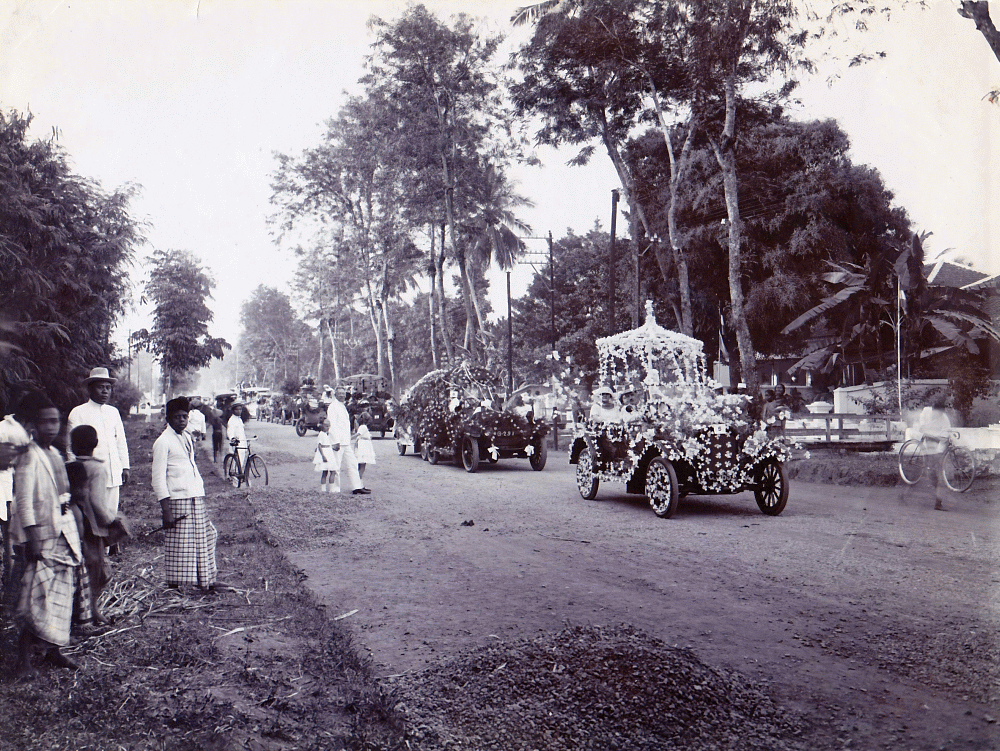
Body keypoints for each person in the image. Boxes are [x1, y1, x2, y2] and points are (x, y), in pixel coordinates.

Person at [12, 392, 84, 677]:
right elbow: (24, 501)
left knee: (62, 591)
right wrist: (32, 539)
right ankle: (23, 659)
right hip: (39, 537)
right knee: (35, 597)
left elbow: (62, 497)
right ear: (33, 425)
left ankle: (53, 649)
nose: (52, 427)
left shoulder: (55, 454)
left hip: (62, 531)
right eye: (45, 422)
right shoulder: (29, 455)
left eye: (56, 422)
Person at [151, 397, 218, 590]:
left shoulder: (186, 437)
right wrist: (166, 511)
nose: (181, 420)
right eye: (177, 417)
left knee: (202, 538)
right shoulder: (163, 442)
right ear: (168, 418)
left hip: (195, 496)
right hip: (177, 500)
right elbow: (158, 479)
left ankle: (203, 580)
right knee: (181, 545)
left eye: (184, 416)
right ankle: (178, 584)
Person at [66, 367, 130, 527]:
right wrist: (77, 475)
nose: (105, 392)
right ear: (90, 388)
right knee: (92, 516)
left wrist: (125, 466)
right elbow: (70, 446)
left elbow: (121, 441)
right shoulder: (78, 413)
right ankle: (96, 548)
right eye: (101, 387)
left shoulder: (113, 412)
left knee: (111, 512)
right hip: (90, 474)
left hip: (113, 471)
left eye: (108, 388)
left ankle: (108, 548)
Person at [65, 425, 114, 627]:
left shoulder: (68, 465)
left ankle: (81, 612)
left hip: (73, 524)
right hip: (92, 526)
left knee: (80, 569)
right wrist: (111, 521)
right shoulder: (98, 468)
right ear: (95, 444)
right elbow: (96, 502)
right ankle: (92, 610)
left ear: (73, 446)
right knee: (97, 571)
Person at [912, 396, 953, 511]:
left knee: (940, 474)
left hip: (938, 445)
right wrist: (934, 436)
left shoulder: (944, 418)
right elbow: (921, 429)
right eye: (936, 413)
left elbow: (946, 432)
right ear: (932, 410)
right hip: (926, 442)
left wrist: (945, 438)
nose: (938, 416)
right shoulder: (925, 412)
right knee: (931, 473)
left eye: (940, 414)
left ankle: (938, 502)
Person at [326, 385, 368, 495]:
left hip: (346, 441)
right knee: (336, 466)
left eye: (343, 393)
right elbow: (332, 425)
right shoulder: (333, 407)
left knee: (353, 463)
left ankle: (357, 487)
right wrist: (335, 441)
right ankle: (334, 489)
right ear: (335, 394)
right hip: (338, 442)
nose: (342, 395)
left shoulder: (342, 406)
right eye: (339, 393)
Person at [313, 418, 341, 493]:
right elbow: (319, 446)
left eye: (328, 426)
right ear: (322, 426)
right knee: (325, 472)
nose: (327, 428)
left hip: (329, 453)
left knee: (332, 471)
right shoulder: (321, 434)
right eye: (326, 426)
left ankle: (331, 489)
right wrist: (323, 456)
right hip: (325, 453)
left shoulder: (327, 434)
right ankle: (323, 489)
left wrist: (333, 447)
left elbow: (328, 444)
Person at [353, 412, 376, 491]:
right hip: (364, 448)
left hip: (364, 446)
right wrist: (349, 438)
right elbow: (357, 435)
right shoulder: (363, 427)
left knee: (361, 467)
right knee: (362, 467)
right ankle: (358, 486)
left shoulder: (362, 427)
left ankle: (360, 485)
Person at [226, 403, 248, 467]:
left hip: (242, 442)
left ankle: (239, 473)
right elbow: (230, 431)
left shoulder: (239, 419)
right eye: (237, 410)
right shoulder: (232, 420)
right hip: (236, 443)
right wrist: (232, 438)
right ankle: (234, 474)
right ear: (233, 411)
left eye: (240, 409)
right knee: (237, 460)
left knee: (242, 459)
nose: (239, 411)